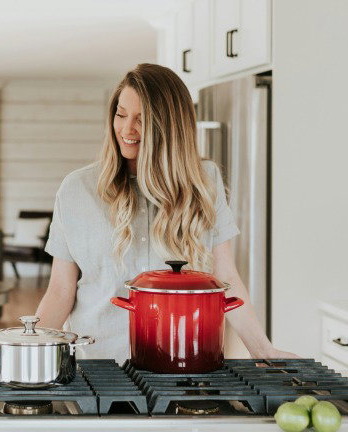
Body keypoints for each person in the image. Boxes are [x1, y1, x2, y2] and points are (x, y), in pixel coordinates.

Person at [35, 63, 294, 364]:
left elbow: (226, 278)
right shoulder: (76, 190)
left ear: (169, 128)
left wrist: (263, 350)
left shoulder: (205, 182)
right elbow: (60, 291)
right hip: (99, 370)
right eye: (120, 114)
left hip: (186, 368)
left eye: (141, 121)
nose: (126, 130)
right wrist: (25, 354)